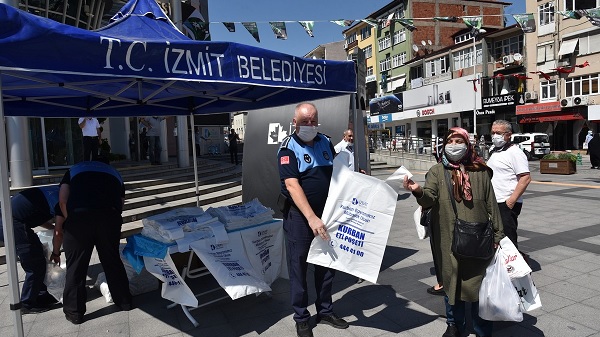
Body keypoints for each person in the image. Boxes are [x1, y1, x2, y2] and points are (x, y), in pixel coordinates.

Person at [403, 127, 504, 337]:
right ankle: (454, 325)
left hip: (479, 238)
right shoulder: (437, 171)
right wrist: (418, 190)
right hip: (448, 238)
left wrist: (498, 235)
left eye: (460, 141)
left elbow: (491, 205)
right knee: (451, 282)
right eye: (451, 141)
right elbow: (429, 197)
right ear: (444, 144)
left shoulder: (480, 171)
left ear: (468, 145)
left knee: (479, 286)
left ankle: (482, 329)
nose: (455, 145)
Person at [278, 102, 349, 337]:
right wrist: (311, 218)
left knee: (327, 265)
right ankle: (301, 317)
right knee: (299, 267)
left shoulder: (325, 141)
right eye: (305, 121)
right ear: (295, 122)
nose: (309, 125)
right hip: (300, 217)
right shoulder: (288, 148)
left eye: (313, 120)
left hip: (327, 215)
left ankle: (325, 310)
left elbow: (337, 170)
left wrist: (355, 180)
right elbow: (292, 185)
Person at [58, 159, 132, 324]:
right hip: (109, 217)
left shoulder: (73, 170)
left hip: (79, 218)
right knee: (112, 260)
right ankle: (124, 301)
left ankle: (74, 313)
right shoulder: (114, 173)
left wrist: (71, 220)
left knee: (76, 266)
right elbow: (120, 202)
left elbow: (62, 200)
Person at [0, 186, 63, 314]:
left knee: (38, 257)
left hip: (12, 219)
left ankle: (40, 295)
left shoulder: (55, 191)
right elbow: (58, 233)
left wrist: (51, 226)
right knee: (34, 264)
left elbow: (34, 213)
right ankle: (26, 303)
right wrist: (56, 252)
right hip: (12, 224)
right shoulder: (62, 200)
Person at [486, 120, 531, 249]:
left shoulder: (515, 153)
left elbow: (525, 178)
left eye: (498, 133)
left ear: (508, 135)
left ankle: (514, 266)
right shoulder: (494, 150)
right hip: (494, 201)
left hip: (506, 203)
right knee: (496, 237)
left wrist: (510, 201)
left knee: (508, 239)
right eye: (493, 132)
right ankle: (500, 266)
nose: (495, 136)